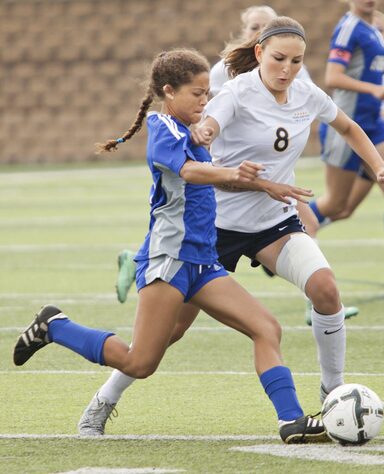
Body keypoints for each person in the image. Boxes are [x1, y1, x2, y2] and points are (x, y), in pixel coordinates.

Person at [75, 17, 384, 437]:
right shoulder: (235, 92)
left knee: (326, 288)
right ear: (260, 53)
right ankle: (105, 399)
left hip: (273, 222)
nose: (288, 69)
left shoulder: (306, 93)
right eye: (279, 58)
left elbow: (349, 127)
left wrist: (381, 166)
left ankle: (333, 392)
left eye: (297, 61)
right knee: (168, 333)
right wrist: (206, 130)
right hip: (214, 229)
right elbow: (207, 126)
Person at [13, 48, 331, 445]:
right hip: (169, 261)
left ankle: (291, 421)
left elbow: (216, 177)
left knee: (266, 328)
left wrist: (263, 183)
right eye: (198, 94)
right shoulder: (161, 126)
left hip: (203, 261)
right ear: (169, 92)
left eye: (208, 93)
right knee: (139, 361)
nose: (205, 101)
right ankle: (55, 326)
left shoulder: (196, 132)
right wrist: (236, 172)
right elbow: (190, 172)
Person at [115, 5, 359, 325]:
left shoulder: (293, 73)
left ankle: (315, 302)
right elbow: (203, 119)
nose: (262, 30)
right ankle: (140, 260)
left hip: (271, 195)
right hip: (223, 188)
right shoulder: (224, 75)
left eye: (267, 25)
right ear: (250, 39)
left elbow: (312, 107)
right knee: (174, 322)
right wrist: (206, 132)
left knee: (309, 232)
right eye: (255, 26)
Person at [306, 0, 384, 299]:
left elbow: (363, 67)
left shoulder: (372, 30)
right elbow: (332, 78)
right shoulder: (349, 29)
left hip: (373, 124)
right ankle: (283, 234)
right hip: (347, 126)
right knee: (337, 205)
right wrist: (373, 89)